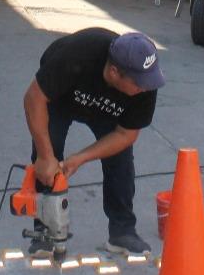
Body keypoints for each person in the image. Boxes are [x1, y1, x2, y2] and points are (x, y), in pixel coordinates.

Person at [23, 27, 165, 255]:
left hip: (109, 112)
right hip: (61, 99)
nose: (145, 88)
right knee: (48, 158)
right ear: (115, 71)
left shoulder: (145, 82)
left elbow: (126, 135)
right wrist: (45, 155)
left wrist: (80, 158)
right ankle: (46, 232)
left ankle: (122, 232)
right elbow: (34, 98)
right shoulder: (75, 55)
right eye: (138, 83)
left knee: (121, 162)